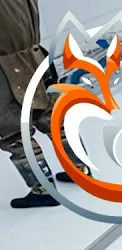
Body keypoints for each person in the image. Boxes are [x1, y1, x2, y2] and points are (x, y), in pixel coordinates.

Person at [0, 0, 81, 209]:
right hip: (32, 53)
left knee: (12, 131)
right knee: (50, 115)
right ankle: (79, 169)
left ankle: (43, 189)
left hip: (4, 65)